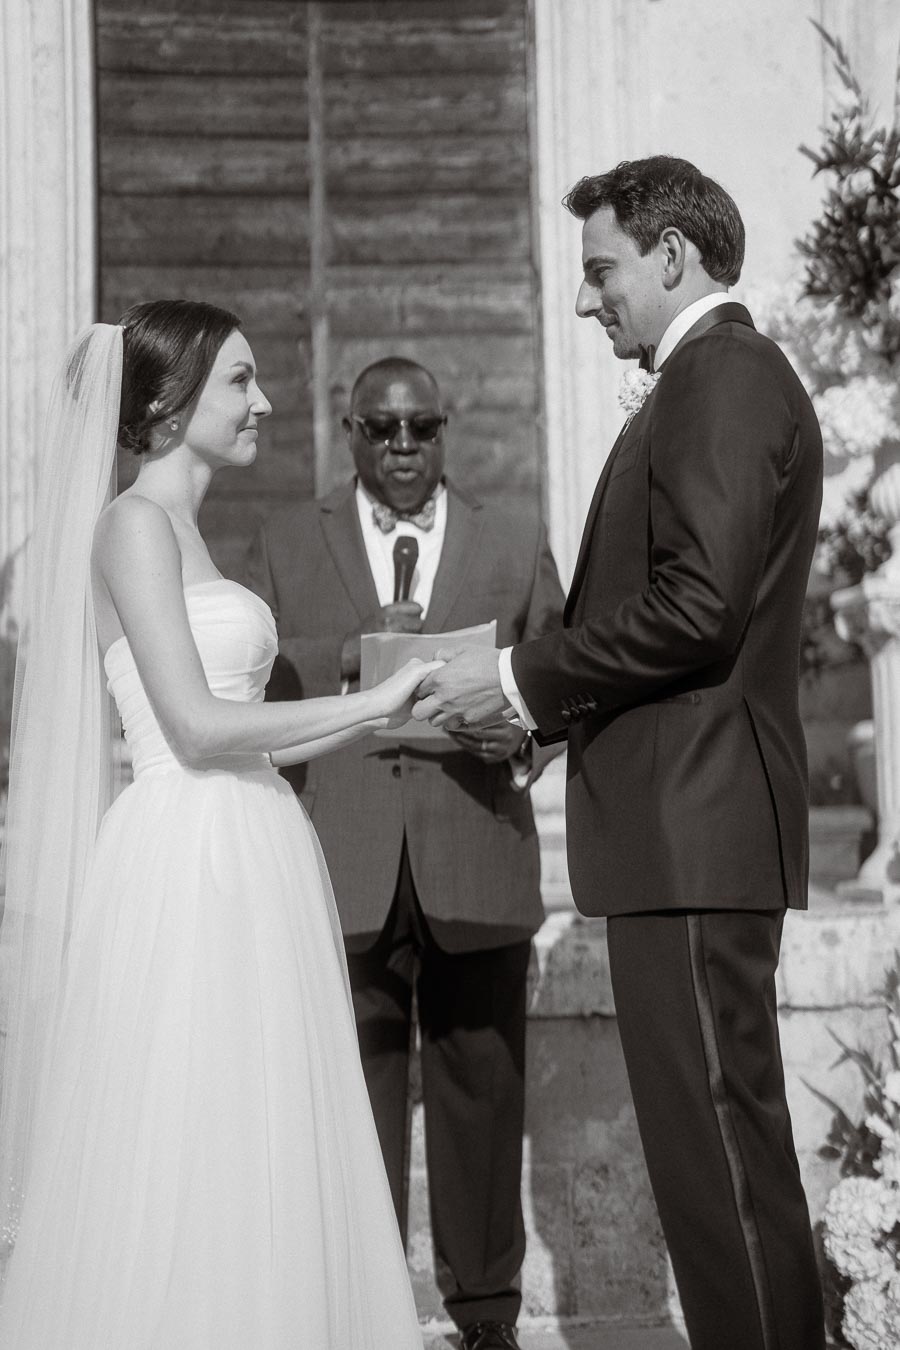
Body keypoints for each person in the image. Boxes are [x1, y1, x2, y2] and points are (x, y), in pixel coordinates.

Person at [413, 157, 827, 1350]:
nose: (588, 300)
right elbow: (686, 611)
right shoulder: (703, 379)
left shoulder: (726, 374)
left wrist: (517, 675)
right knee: (713, 1162)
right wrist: (546, 726)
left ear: (670, 257)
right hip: (678, 825)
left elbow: (702, 608)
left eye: (600, 270)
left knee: (724, 1164)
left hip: (696, 832)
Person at [0, 302, 436, 1348]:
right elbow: (195, 727)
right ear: (165, 400)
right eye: (241, 382)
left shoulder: (189, 530)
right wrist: (369, 703)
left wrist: (403, 705)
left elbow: (255, 741)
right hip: (187, 858)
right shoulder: (132, 525)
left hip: (256, 847)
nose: (266, 402)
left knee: (261, 1131)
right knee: (190, 1127)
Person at [244, 356, 565, 1350]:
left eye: (421, 428)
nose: (403, 449)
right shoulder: (289, 539)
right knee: (354, 1101)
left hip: (474, 850)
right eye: (381, 430)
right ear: (348, 431)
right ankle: (365, 1310)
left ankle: (485, 1317)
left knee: (482, 1092)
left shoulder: (512, 540)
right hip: (342, 861)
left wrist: (517, 738)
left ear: (446, 428)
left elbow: (562, 683)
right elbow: (251, 690)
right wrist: (352, 654)